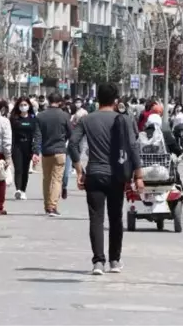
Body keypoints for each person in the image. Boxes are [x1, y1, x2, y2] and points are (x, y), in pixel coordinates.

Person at [68, 83, 143, 275]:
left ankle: (98, 263)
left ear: (97, 99)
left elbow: (72, 145)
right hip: (117, 176)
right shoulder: (124, 119)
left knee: (96, 218)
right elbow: (134, 147)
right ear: (116, 99)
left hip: (94, 174)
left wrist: (78, 170)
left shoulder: (87, 120)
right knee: (115, 218)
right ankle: (115, 261)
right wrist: (139, 175)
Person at [33, 92, 72, 216]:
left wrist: (35, 152)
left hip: (46, 151)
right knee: (57, 180)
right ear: (60, 102)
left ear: (48, 101)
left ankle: (47, 205)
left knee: (47, 179)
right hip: (60, 151)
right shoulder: (65, 115)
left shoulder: (41, 116)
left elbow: (37, 136)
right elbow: (70, 133)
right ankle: (52, 206)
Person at [10, 97, 39, 201]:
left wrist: (36, 149)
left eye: (25, 105)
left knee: (25, 169)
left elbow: (36, 133)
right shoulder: (14, 118)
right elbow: (11, 133)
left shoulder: (33, 118)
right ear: (18, 106)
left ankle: (23, 191)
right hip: (17, 145)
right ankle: (18, 189)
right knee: (18, 168)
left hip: (28, 146)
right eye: (21, 105)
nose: (23, 107)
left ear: (29, 106)